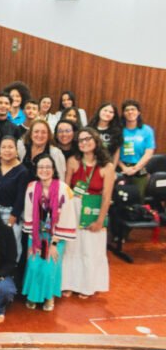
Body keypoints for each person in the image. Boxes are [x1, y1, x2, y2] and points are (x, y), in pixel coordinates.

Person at [61, 127, 113, 299]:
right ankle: (68, 283)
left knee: (90, 249)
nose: (84, 142)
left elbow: (106, 197)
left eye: (87, 139)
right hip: (74, 208)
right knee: (71, 247)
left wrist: (100, 221)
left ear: (96, 140)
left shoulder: (107, 166)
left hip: (94, 210)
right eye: (80, 140)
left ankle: (87, 285)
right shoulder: (73, 161)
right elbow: (65, 190)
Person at [21, 154, 76, 311]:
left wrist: (53, 244)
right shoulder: (32, 188)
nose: (44, 170)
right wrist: (34, 242)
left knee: (50, 266)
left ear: (53, 169)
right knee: (33, 264)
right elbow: (30, 216)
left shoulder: (64, 189)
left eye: (47, 167)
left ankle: (48, 297)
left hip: (55, 237)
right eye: (40, 167)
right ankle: (33, 296)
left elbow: (66, 217)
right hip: (36, 236)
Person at [0, 137, 29, 264]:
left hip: (12, 213)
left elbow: (21, 197)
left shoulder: (22, 171)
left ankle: (11, 273)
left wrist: (12, 219)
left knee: (12, 245)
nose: (7, 150)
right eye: (4, 147)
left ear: (17, 151)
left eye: (11, 147)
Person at [119, 99, 156, 198]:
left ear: (138, 112)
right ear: (123, 113)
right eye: (127, 110)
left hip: (140, 169)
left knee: (138, 199)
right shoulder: (118, 130)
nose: (130, 112)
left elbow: (149, 153)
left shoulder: (147, 130)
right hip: (121, 169)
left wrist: (135, 168)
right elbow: (114, 152)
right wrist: (124, 168)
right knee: (120, 198)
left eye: (133, 109)